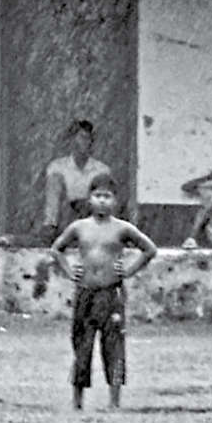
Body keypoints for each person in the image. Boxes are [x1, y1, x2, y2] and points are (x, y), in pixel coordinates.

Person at [51, 175, 158, 410]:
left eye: (107, 196)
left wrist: (128, 270)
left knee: (113, 346)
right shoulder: (79, 227)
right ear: (89, 199)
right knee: (82, 345)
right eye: (97, 196)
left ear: (115, 201)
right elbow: (57, 249)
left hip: (111, 294)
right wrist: (70, 271)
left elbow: (149, 249)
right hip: (85, 292)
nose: (102, 201)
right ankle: (77, 402)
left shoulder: (122, 228)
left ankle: (114, 402)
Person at [42, 119, 114, 242]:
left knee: (102, 181)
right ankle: (51, 229)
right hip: (65, 218)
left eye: (89, 138)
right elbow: (53, 199)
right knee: (55, 179)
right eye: (82, 138)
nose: (86, 142)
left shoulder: (101, 169)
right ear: (72, 140)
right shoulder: (57, 166)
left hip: (90, 218)